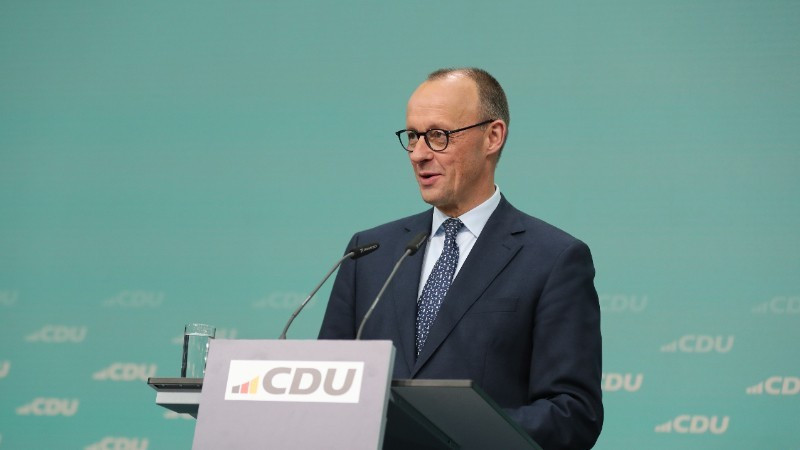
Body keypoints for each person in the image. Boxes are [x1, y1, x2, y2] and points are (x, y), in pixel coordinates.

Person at [319, 68, 603, 449]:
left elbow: (573, 414)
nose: (419, 154)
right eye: (413, 136)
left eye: (438, 135)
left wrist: (455, 431)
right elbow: (325, 385)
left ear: (493, 137)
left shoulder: (554, 260)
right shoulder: (369, 252)